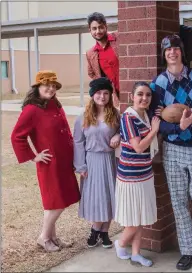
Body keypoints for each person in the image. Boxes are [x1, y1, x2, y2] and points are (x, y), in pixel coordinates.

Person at [150, 35, 192, 271]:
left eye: (176, 48)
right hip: (173, 150)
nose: (172, 52)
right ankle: (188, 251)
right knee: (179, 203)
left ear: (182, 52)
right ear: (163, 54)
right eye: (168, 49)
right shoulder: (158, 84)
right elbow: (157, 120)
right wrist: (175, 128)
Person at [11, 71, 80, 252]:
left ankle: (53, 237)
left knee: (55, 201)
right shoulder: (31, 110)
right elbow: (17, 136)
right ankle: (43, 237)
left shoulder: (54, 104)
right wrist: (34, 156)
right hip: (50, 163)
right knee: (57, 202)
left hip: (65, 161)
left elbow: (66, 132)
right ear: (37, 88)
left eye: (53, 85)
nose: (50, 88)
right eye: (46, 85)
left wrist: (74, 156)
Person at [114, 82, 160, 267]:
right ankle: (120, 243)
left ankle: (135, 253)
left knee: (139, 217)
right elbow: (139, 147)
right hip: (130, 175)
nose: (144, 98)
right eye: (140, 94)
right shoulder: (128, 117)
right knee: (134, 219)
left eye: (148, 95)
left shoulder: (146, 116)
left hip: (145, 173)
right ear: (132, 96)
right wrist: (155, 130)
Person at [73, 77, 121, 249]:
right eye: (99, 93)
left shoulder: (115, 115)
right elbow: (78, 142)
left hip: (109, 160)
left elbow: (126, 129)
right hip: (91, 161)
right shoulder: (83, 117)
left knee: (109, 196)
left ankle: (104, 232)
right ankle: (95, 229)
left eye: (106, 93)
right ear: (93, 95)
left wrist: (118, 135)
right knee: (96, 197)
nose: (102, 96)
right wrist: (81, 166)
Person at [86, 12, 119, 107]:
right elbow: (91, 73)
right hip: (114, 96)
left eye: (100, 27)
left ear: (106, 26)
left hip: (130, 88)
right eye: (94, 28)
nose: (98, 31)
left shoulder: (119, 37)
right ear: (90, 30)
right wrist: (105, 86)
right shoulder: (90, 53)